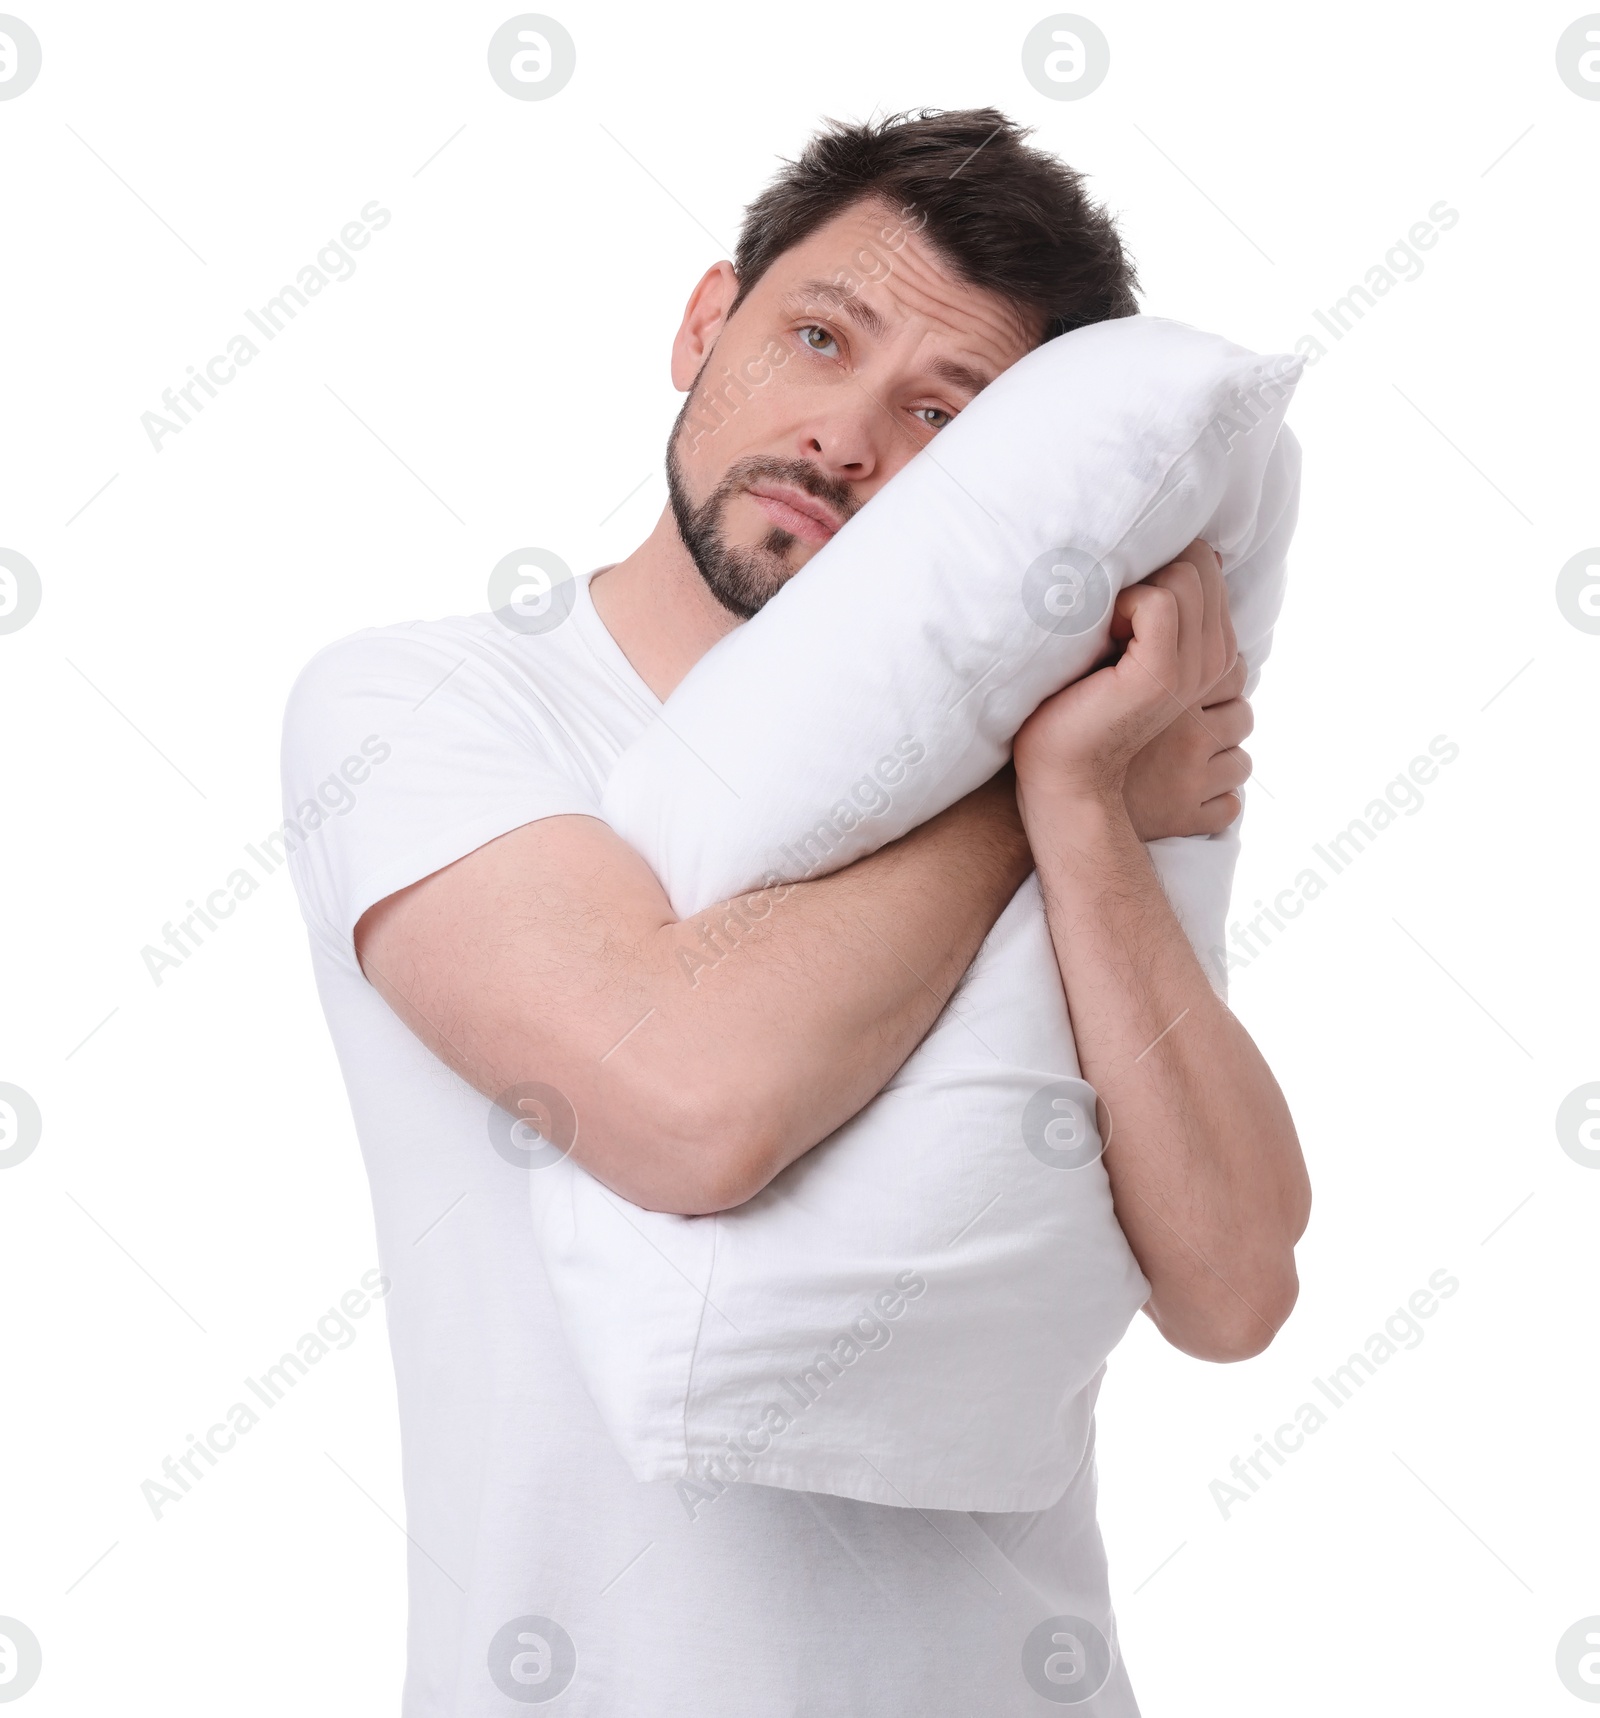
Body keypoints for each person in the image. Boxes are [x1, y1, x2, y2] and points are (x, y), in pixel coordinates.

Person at [283, 105, 1310, 1716]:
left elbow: (1237, 1286)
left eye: (941, 416)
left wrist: (1089, 828)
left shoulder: (1083, 777)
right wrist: (1041, 793)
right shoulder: (425, 706)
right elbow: (691, 1110)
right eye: (818, 337)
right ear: (707, 321)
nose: (845, 437)